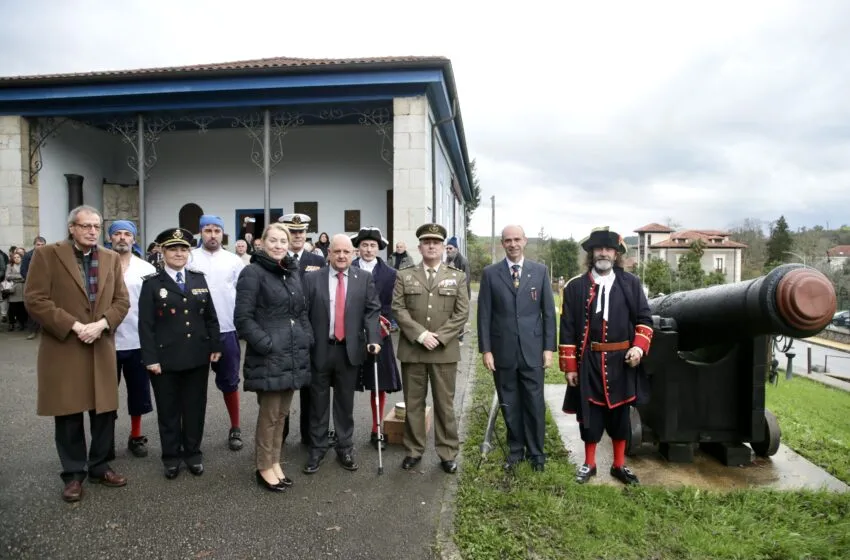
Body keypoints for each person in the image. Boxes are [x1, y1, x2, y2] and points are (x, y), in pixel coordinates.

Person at [24, 205, 130, 502]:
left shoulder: (110, 258)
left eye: (96, 226)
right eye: (85, 226)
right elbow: (35, 299)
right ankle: (73, 474)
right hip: (64, 345)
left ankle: (100, 466)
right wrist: (73, 325)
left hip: (100, 343)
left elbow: (122, 301)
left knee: (104, 411)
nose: (92, 231)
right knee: (68, 411)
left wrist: (103, 324)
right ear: (72, 228)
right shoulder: (48, 255)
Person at [559, 227, 653, 486]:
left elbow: (644, 319)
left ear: (616, 254)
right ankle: (589, 464)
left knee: (621, 416)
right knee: (589, 416)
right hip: (589, 361)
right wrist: (570, 366)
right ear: (591, 253)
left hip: (622, 362)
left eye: (608, 249)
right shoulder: (575, 287)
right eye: (598, 249)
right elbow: (567, 328)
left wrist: (638, 348)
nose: (603, 253)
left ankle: (619, 465)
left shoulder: (631, 284)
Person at [234, 223, 313, 492]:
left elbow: (300, 312)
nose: (279, 246)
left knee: (281, 414)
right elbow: (243, 318)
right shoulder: (252, 273)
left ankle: (275, 461)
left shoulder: (291, 272)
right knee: (269, 415)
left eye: (283, 241)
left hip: (292, 353)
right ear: (262, 242)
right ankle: (263, 466)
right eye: (273, 240)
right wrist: (266, 344)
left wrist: (306, 337)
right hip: (269, 355)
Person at [139, 227, 222, 479]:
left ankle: (193, 453)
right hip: (165, 360)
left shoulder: (198, 279)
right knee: (169, 410)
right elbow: (146, 325)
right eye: (173, 249)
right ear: (163, 252)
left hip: (197, 356)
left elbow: (210, 316)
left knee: (195, 408)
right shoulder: (152, 283)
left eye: (183, 249)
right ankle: (171, 456)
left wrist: (215, 345)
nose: (179, 253)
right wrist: (150, 358)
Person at [392, 223, 469, 474]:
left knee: (444, 404)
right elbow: (398, 309)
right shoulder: (404, 275)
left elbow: (462, 312)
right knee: (413, 403)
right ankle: (414, 450)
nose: (431, 246)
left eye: (436, 242)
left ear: (443, 247)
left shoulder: (457, 277)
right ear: (420, 247)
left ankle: (447, 452)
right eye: (427, 242)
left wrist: (440, 337)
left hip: (443, 352)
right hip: (413, 350)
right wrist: (421, 335)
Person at [301, 234, 381, 475]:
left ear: (353, 254)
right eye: (337, 251)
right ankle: (317, 447)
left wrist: (373, 338)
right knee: (317, 402)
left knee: (345, 402)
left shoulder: (363, 278)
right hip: (320, 349)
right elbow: (303, 312)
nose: (342, 256)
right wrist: (307, 340)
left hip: (349, 350)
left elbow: (372, 311)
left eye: (346, 252)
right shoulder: (311, 278)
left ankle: (345, 447)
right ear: (329, 253)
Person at [478, 225, 556, 472]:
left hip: (533, 350)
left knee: (534, 403)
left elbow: (548, 313)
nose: (513, 244)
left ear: (525, 241)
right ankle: (515, 451)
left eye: (517, 239)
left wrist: (548, 348)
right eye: (508, 240)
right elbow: (484, 315)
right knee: (509, 402)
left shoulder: (539, 272)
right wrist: (486, 350)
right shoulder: (491, 274)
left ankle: (536, 454)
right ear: (502, 243)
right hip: (503, 350)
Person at [190, 215, 246, 451]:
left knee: (230, 382)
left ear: (223, 234)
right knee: (193, 385)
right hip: (195, 333)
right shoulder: (190, 258)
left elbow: (243, 294)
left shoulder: (234, 261)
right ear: (200, 232)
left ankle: (235, 426)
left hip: (226, 330)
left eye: (217, 231)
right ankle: (192, 433)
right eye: (208, 230)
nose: (212, 235)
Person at [278, 212, 328, 447]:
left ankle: (309, 435)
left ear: (306, 233)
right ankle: (280, 435)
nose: (297, 236)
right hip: (283, 332)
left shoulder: (317, 260)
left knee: (311, 386)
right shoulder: (275, 259)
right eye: (292, 231)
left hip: (310, 332)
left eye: (301, 232)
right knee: (283, 386)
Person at [351, 227, 402, 450]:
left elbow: (393, 304)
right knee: (346, 383)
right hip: (352, 333)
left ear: (379, 248)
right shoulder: (348, 267)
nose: (368, 249)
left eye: (372, 245)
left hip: (379, 332)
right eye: (364, 245)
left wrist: (386, 322)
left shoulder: (390, 274)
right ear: (358, 247)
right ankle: (343, 431)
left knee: (378, 383)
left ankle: (376, 428)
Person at [109, 220, 157, 458]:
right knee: (106, 393)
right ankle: (105, 438)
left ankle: (136, 435)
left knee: (138, 392)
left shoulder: (146, 268)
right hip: (106, 341)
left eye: (127, 234)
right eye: (117, 233)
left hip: (138, 341)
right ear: (110, 238)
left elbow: (154, 306)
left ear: (134, 239)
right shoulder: (100, 265)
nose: (122, 238)